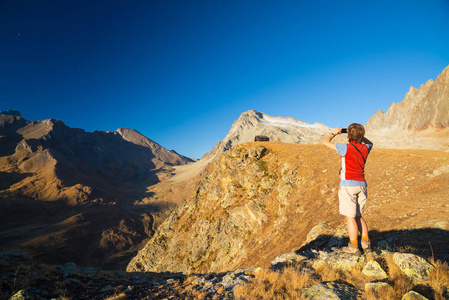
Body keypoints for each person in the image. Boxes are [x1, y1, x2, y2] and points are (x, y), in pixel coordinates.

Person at [323, 123, 373, 254]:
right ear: (362, 135)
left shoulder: (344, 148)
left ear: (349, 135)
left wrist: (335, 133)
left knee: (350, 217)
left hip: (348, 185)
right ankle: (366, 244)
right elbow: (370, 143)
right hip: (362, 184)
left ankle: (353, 246)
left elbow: (325, 142)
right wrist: (360, 136)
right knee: (358, 216)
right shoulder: (366, 148)